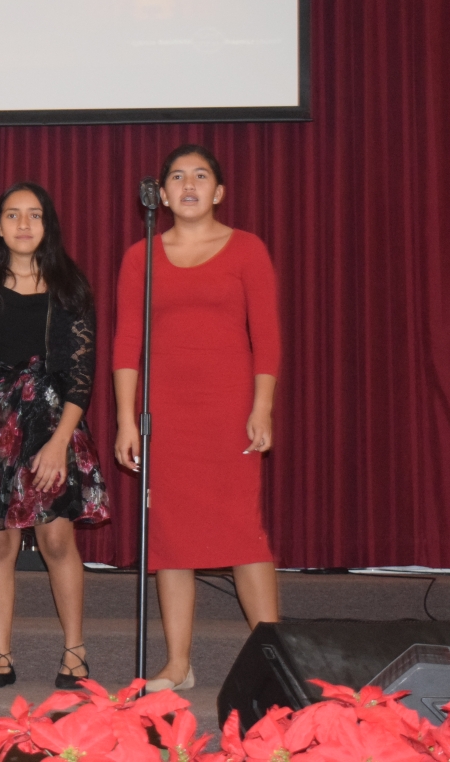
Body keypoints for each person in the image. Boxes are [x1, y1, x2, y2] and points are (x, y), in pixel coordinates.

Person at [112, 143, 281, 694]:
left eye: (201, 175)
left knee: (244, 535)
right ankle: (177, 664)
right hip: (166, 418)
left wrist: (261, 407)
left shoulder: (247, 249)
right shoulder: (141, 255)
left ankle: (278, 663)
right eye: (178, 177)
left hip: (229, 413)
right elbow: (126, 344)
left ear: (219, 191)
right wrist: (126, 419)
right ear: (161, 195)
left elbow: (267, 337)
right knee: (171, 541)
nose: (189, 185)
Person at [0, 181, 108, 691]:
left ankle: (75, 654)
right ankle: (1, 657)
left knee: (57, 539)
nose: (24, 224)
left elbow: (81, 375)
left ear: (48, 225)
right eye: (13, 215)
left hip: (52, 423)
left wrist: (60, 442)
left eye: (35, 215)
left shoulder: (70, 287)